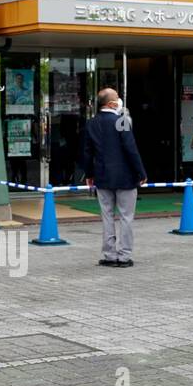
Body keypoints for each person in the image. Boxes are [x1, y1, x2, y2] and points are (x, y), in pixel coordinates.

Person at [82, 88, 147, 268]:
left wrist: (89, 174)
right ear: (111, 104)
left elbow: (87, 152)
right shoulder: (122, 121)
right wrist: (141, 172)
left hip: (102, 176)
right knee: (126, 217)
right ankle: (124, 256)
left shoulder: (91, 123)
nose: (120, 101)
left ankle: (109, 255)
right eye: (117, 98)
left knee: (107, 216)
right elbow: (130, 149)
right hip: (125, 176)